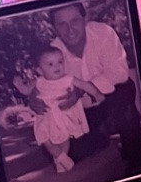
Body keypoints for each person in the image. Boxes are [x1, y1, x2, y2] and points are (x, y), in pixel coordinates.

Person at [49, 0, 141, 172]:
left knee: (124, 94)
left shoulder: (103, 34)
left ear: (84, 18)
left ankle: (137, 162)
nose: (70, 29)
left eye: (74, 21)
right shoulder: (53, 52)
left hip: (113, 97)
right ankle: (102, 135)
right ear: (55, 28)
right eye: (62, 24)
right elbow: (52, 89)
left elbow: (119, 73)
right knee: (67, 151)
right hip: (83, 111)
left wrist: (81, 90)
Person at [19, 42, 90, 175]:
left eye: (60, 62)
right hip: (46, 116)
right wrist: (20, 87)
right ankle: (61, 157)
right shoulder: (39, 81)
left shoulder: (67, 78)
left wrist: (96, 94)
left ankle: (61, 161)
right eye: (50, 64)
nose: (57, 66)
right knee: (45, 139)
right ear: (40, 70)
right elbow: (28, 91)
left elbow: (84, 85)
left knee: (64, 138)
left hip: (62, 115)